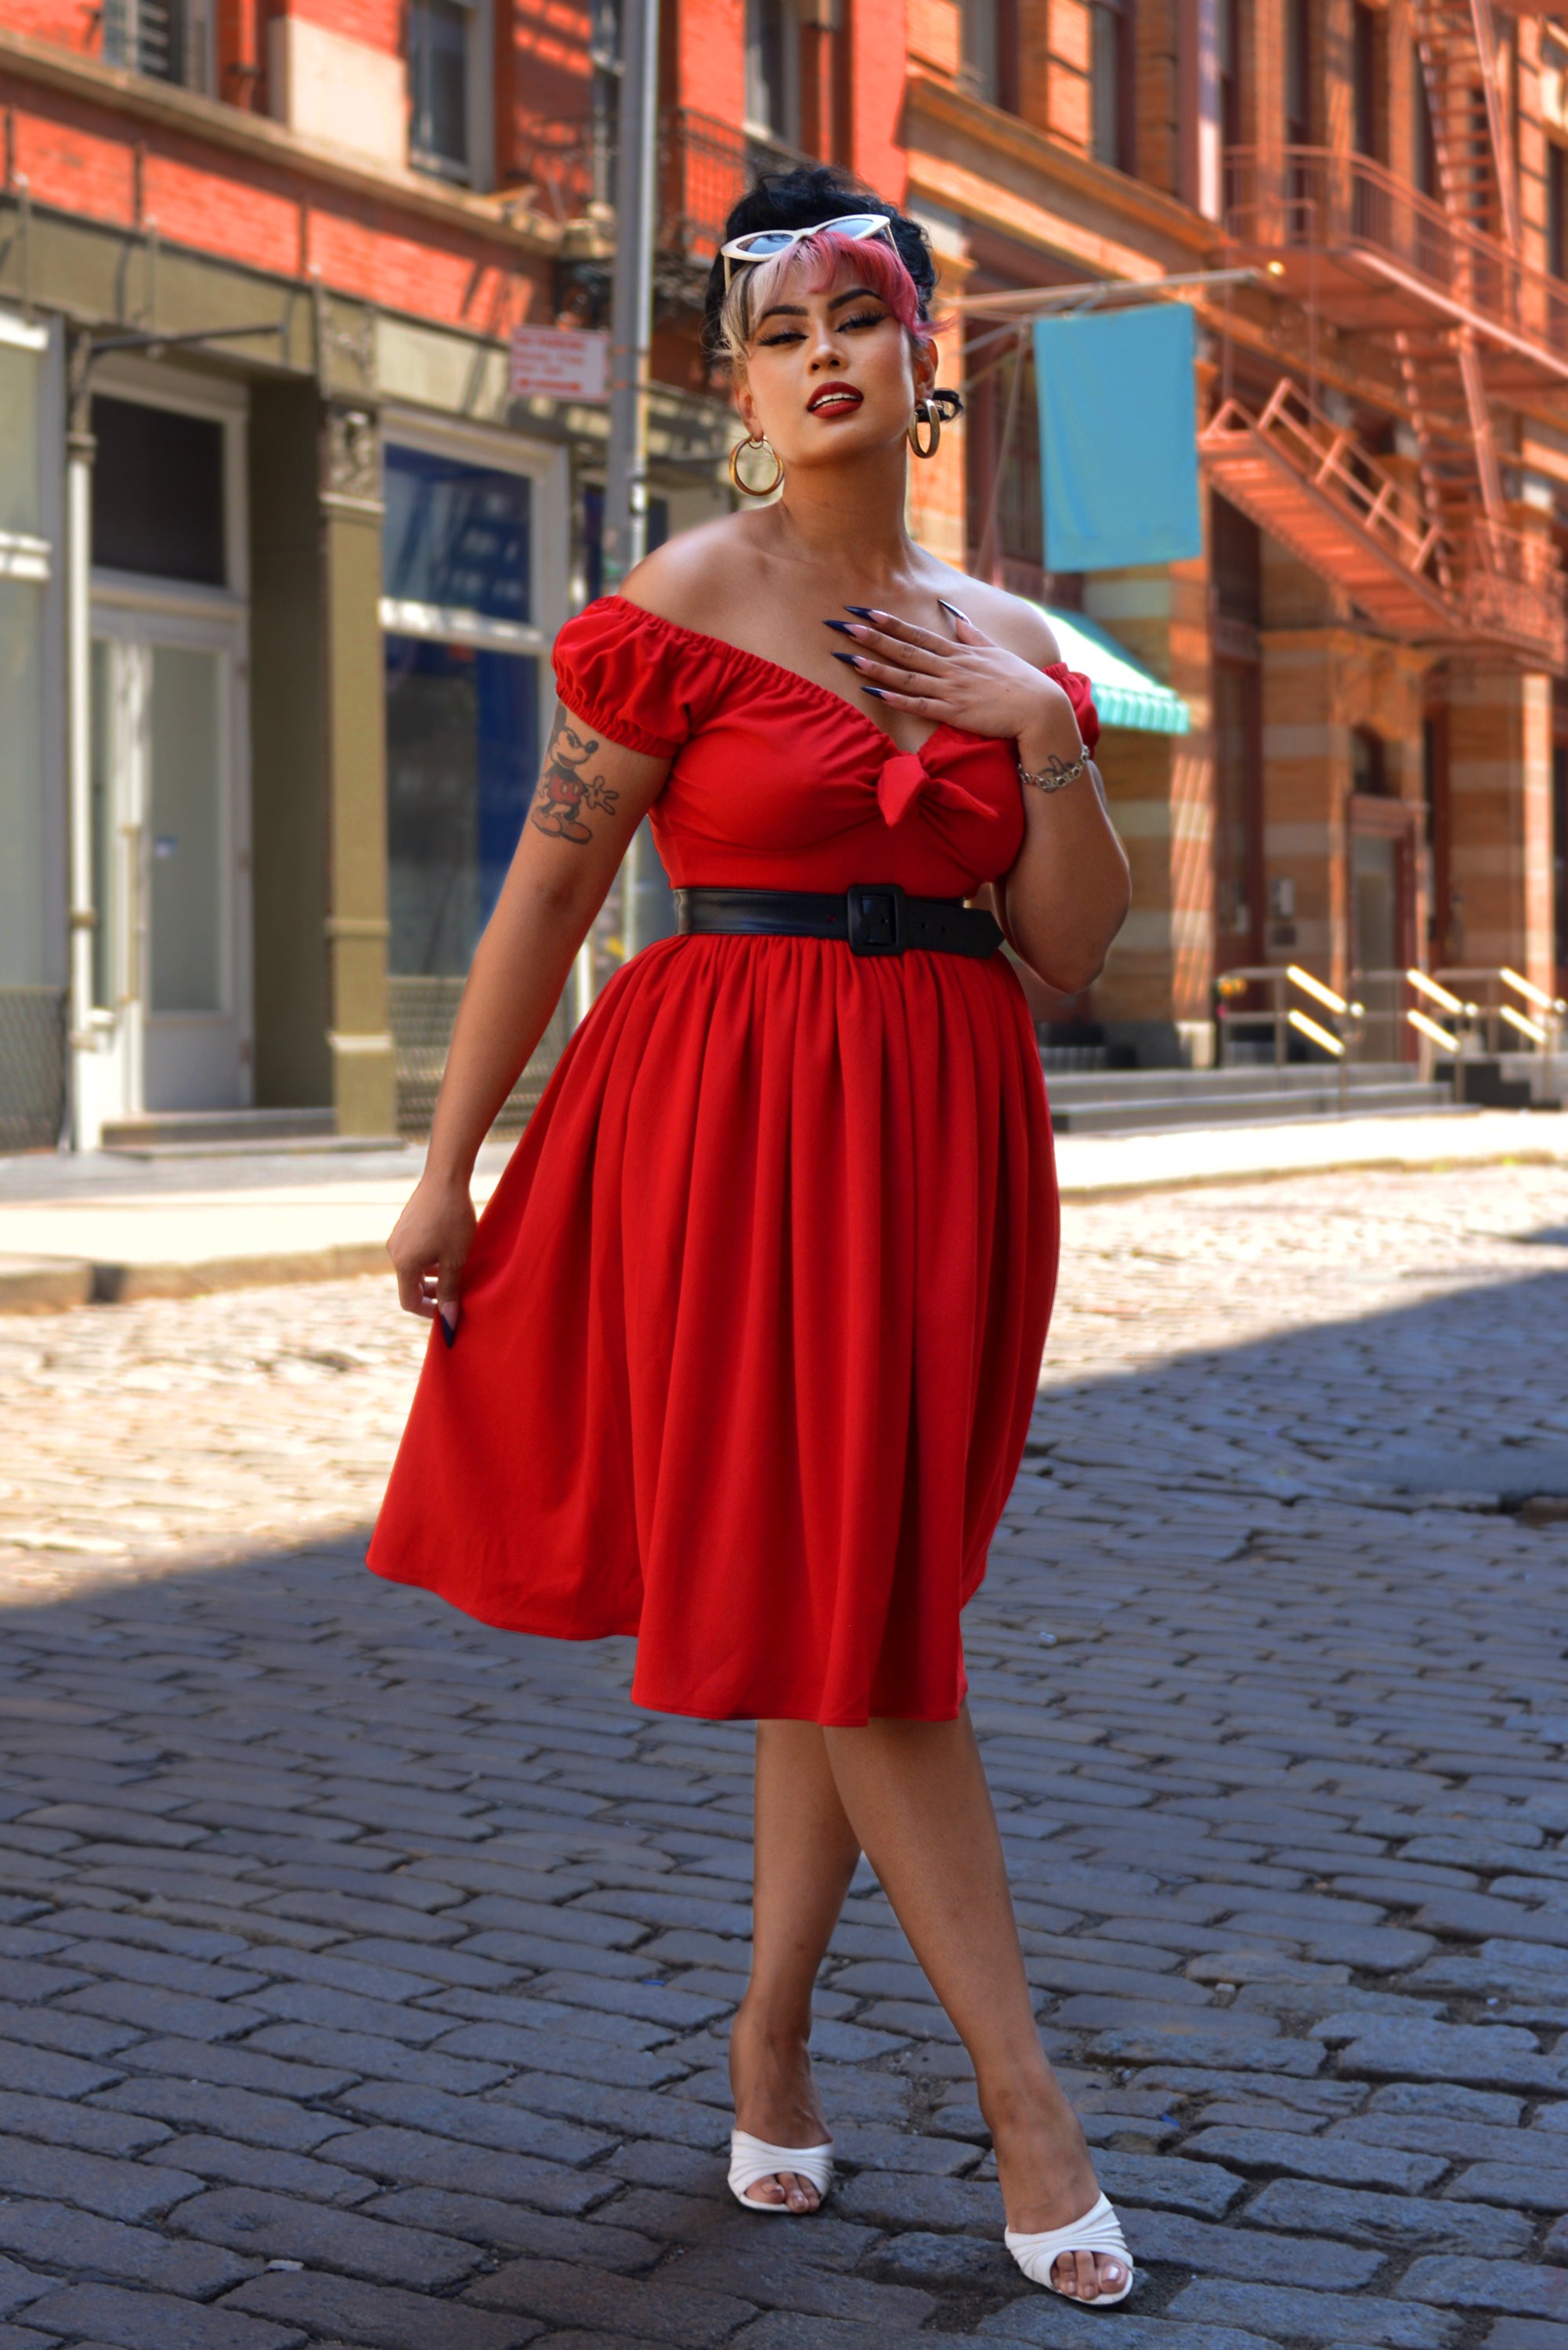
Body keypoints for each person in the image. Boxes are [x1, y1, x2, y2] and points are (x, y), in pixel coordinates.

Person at [371, 164, 1134, 2304]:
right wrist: (449, 1164)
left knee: (849, 1592)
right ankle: (1023, 2102)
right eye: (779, 330)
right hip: (732, 1120)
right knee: (863, 1600)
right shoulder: (681, 601)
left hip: (944, 1134)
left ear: (921, 367)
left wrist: (1046, 745)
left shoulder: (1007, 644)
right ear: (742, 382)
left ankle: (771, 2036)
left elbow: (1069, 949)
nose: (819, 356)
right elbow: (542, 893)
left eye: (854, 321)